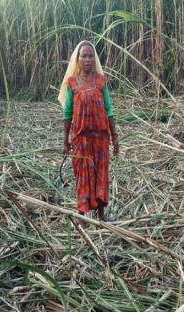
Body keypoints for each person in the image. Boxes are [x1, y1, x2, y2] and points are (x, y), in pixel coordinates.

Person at [58, 40, 119, 227]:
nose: (87, 59)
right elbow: (67, 113)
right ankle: (83, 217)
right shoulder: (72, 82)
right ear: (78, 59)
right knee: (83, 176)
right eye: (83, 56)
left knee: (101, 174)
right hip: (81, 139)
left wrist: (115, 137)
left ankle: (101, 216)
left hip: (100, 138)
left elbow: (108, 109)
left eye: (90, 55)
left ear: (94, 59)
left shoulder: (101, 81)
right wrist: (65, 141)